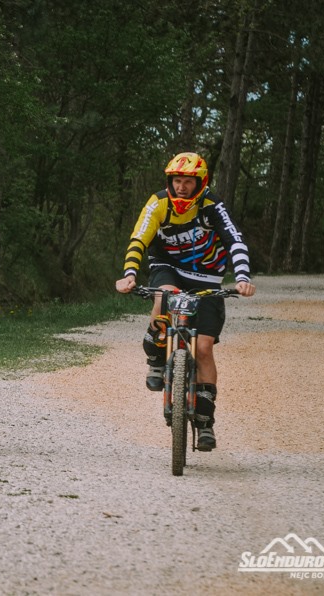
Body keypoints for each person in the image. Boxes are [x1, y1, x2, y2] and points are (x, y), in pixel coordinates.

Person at [115, 152, 255, 451]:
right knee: (163, 297)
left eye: (187, 182)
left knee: (203, 348)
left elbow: (235, 240)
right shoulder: (158, 203)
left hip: (207, 277)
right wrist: (129, 275)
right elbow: (139, 240)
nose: (181, 187)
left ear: (200, 183)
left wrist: (242, 277)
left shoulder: (212, 206)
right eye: (177, 181)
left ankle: (205, 422)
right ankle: (156, 358)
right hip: (168, 268)